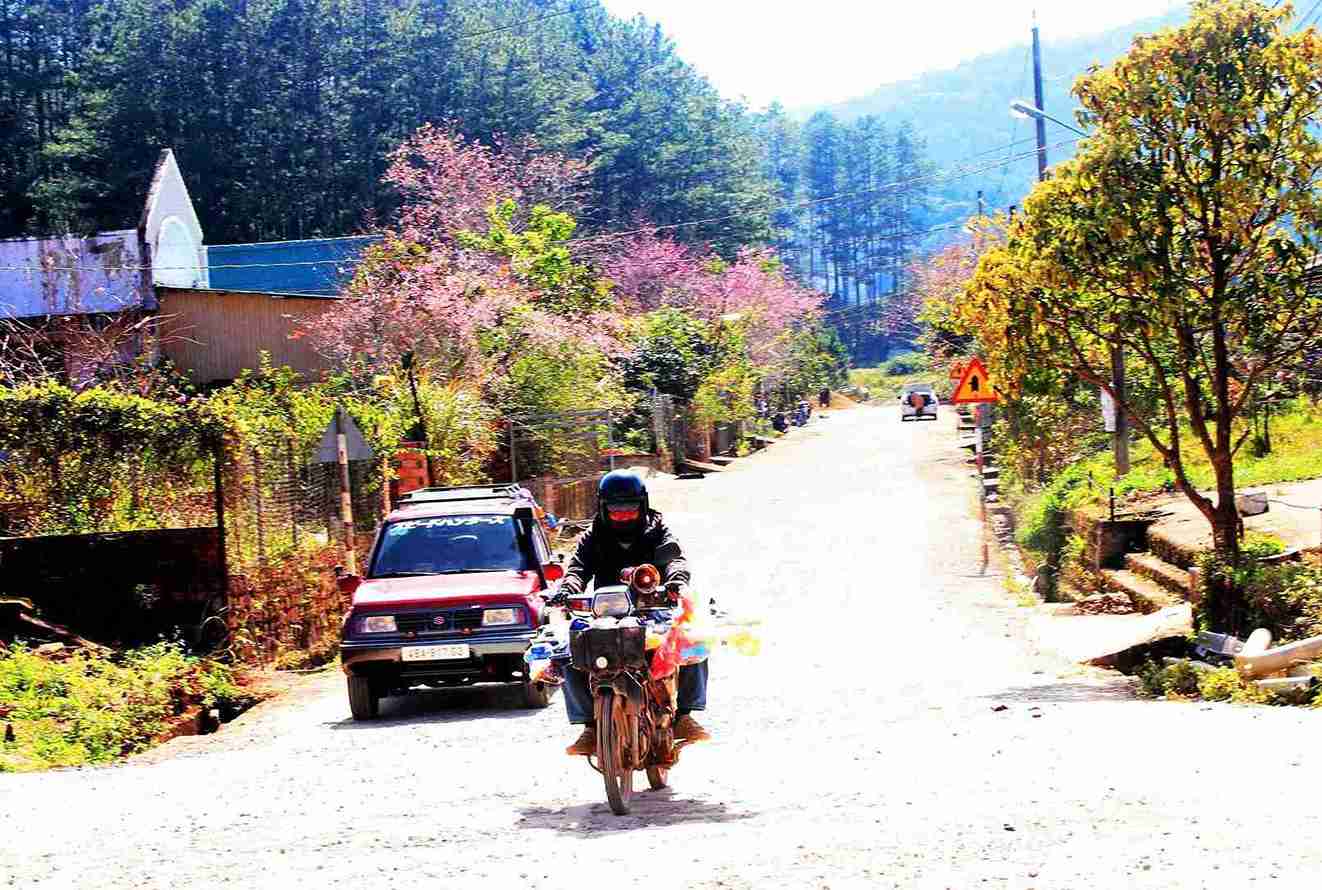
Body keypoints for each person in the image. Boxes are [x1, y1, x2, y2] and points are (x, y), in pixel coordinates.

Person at [559, 470, 711, 756]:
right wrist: (567, 589)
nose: (623, 517)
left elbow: (676, 560)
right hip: (605, 612)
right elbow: (577, 569)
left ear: (642, 506)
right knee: (568, 651)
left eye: (629, 511)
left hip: (654, 608)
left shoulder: (658, 531)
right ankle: (590, 727)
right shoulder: (592, 537)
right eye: (616, 512)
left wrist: (676, 582)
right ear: (603, 509)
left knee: (691, 643)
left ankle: (685, 716)